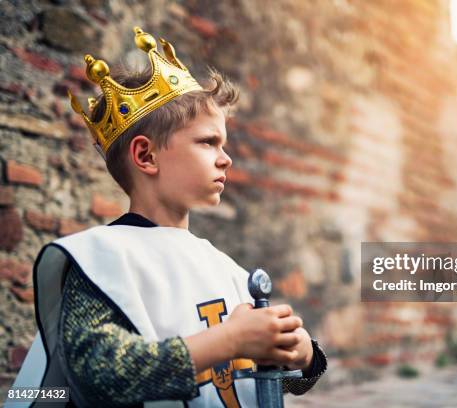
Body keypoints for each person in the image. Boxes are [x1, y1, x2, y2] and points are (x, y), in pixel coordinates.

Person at [7, 26, 326, 407]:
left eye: (223, 144)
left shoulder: (224, 268)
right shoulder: (102, 261)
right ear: (146, 156)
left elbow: (264, 383)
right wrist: (229, 341)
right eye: (208, 142)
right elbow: (97, 375)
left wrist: (304, 356)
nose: (226, 159)